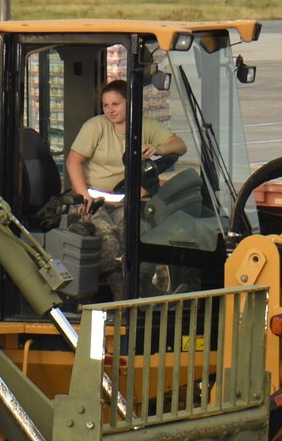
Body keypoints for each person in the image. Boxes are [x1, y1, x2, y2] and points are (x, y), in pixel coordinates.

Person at [63, 79, 188, 297]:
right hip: (93, 199)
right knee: (109, 238)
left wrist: (158, 148)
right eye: (106, 105)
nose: (110, 110)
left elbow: (180, 145)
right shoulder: (95, 127)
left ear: (130, 104)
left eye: (116, 104)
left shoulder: (144, 125)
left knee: (138, 234)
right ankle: (121, 298)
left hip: (122, 199)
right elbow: (73, 162)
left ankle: (148, 292)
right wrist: (84, 198)